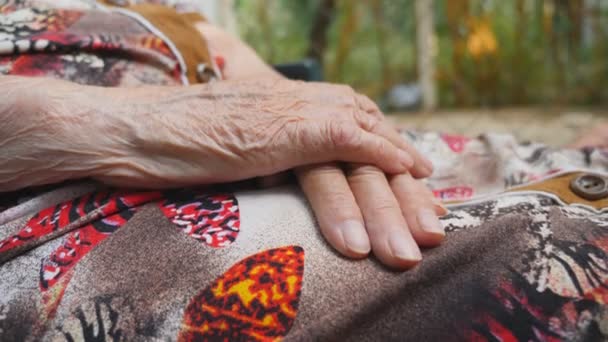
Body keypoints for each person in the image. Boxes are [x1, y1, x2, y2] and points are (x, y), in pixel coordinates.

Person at [1, 1, 607, 341]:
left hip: (213, 119)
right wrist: (115, 123)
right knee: (546, 260)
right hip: (63, 177)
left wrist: (296, 120)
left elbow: (229, 57)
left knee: (536, 165)